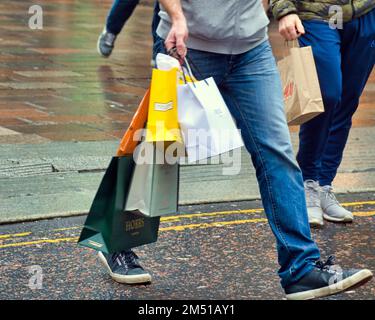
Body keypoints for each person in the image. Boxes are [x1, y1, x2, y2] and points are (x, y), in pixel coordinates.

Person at [98, 0, 373, 300]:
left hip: (251, 50)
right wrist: (176, 17)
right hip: (188, 43)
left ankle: (301, 268)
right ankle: (116, 241)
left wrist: (274, 12)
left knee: (276, 152)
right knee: (158, 149)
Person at [271, 0, 375, 226]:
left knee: (347, 103)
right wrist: (284, 10)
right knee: (327, 95)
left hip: (365, 14)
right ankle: (308, 181)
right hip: (317, 14)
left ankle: (324, 184)